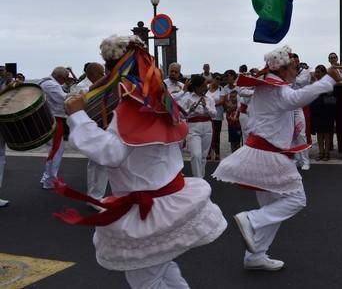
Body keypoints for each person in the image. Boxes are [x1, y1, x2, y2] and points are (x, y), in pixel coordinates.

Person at [57, 34, 227, 288]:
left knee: (146, 280)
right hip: (169, 199)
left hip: (149, 211)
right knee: (164, 268)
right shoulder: (160, 99)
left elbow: (110, 154)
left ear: (110, 68)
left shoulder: (130, 105)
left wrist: (79, 117)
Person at [213, 45, 340, 271]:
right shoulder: (276, 89)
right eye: (292, 66)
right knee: (296, 199)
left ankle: (256, 255)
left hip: (261, 152)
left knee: (273, 209)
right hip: (269, 155)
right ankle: (251, 220)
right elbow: (298, 98)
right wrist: (328, 81)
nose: (296, 70)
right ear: (282, 68)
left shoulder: (270, 86)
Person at [73, 62, 109, 207]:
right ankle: (96, 197)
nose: (104, 76)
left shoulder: (98, 85)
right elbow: (81, 95)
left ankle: (94, 196)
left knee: (97, 164)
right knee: (99, 164)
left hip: (100, 127)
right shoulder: (81, 86)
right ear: (93, 74)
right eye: (101, 73)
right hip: (91, 128)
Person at [39, 66, 70, 190]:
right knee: (56, 150)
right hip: (54, 120)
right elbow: (64, 99)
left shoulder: (46, 83)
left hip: (51, 119)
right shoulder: (51, 85)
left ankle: (47, 176)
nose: (65, 80)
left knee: (55, 149)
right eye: (65, 78)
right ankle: (50, 180)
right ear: (59, 76)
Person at [179, 75, 216, 178]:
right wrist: (190, 110)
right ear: (196, 87)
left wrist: (206, 106)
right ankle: (198, 179)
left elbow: (214, 114)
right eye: (203, 86)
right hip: (193, 127)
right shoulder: (188, 97)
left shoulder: (209, 98)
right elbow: (180, 114)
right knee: (196, 155)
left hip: (207, 127)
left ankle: (201, 179)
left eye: (206, 86)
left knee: (203, 157)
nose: (205, 88)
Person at [309, 65, 337, 161]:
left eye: (319, 72)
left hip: (327, 109)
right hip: (317, 109)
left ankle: (327, 152)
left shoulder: (328, 82)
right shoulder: (313, 82)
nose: (317, 74)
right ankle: (320, 152)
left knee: (327, 132)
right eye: (316, 72)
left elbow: (330, 93)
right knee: (319, 133)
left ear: (324, 73)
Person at [206, 74, 224, 161]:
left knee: (216, 136)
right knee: (208, 135)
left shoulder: (221, 89)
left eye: (220, 79)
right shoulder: (206, 87)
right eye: (216, 79)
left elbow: (221, 101)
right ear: (212, 79)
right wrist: (211, 105)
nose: (218, 81)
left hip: (217, 116)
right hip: (207, 116)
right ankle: (208, 153)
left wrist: (210, 105)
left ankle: (217, 153)